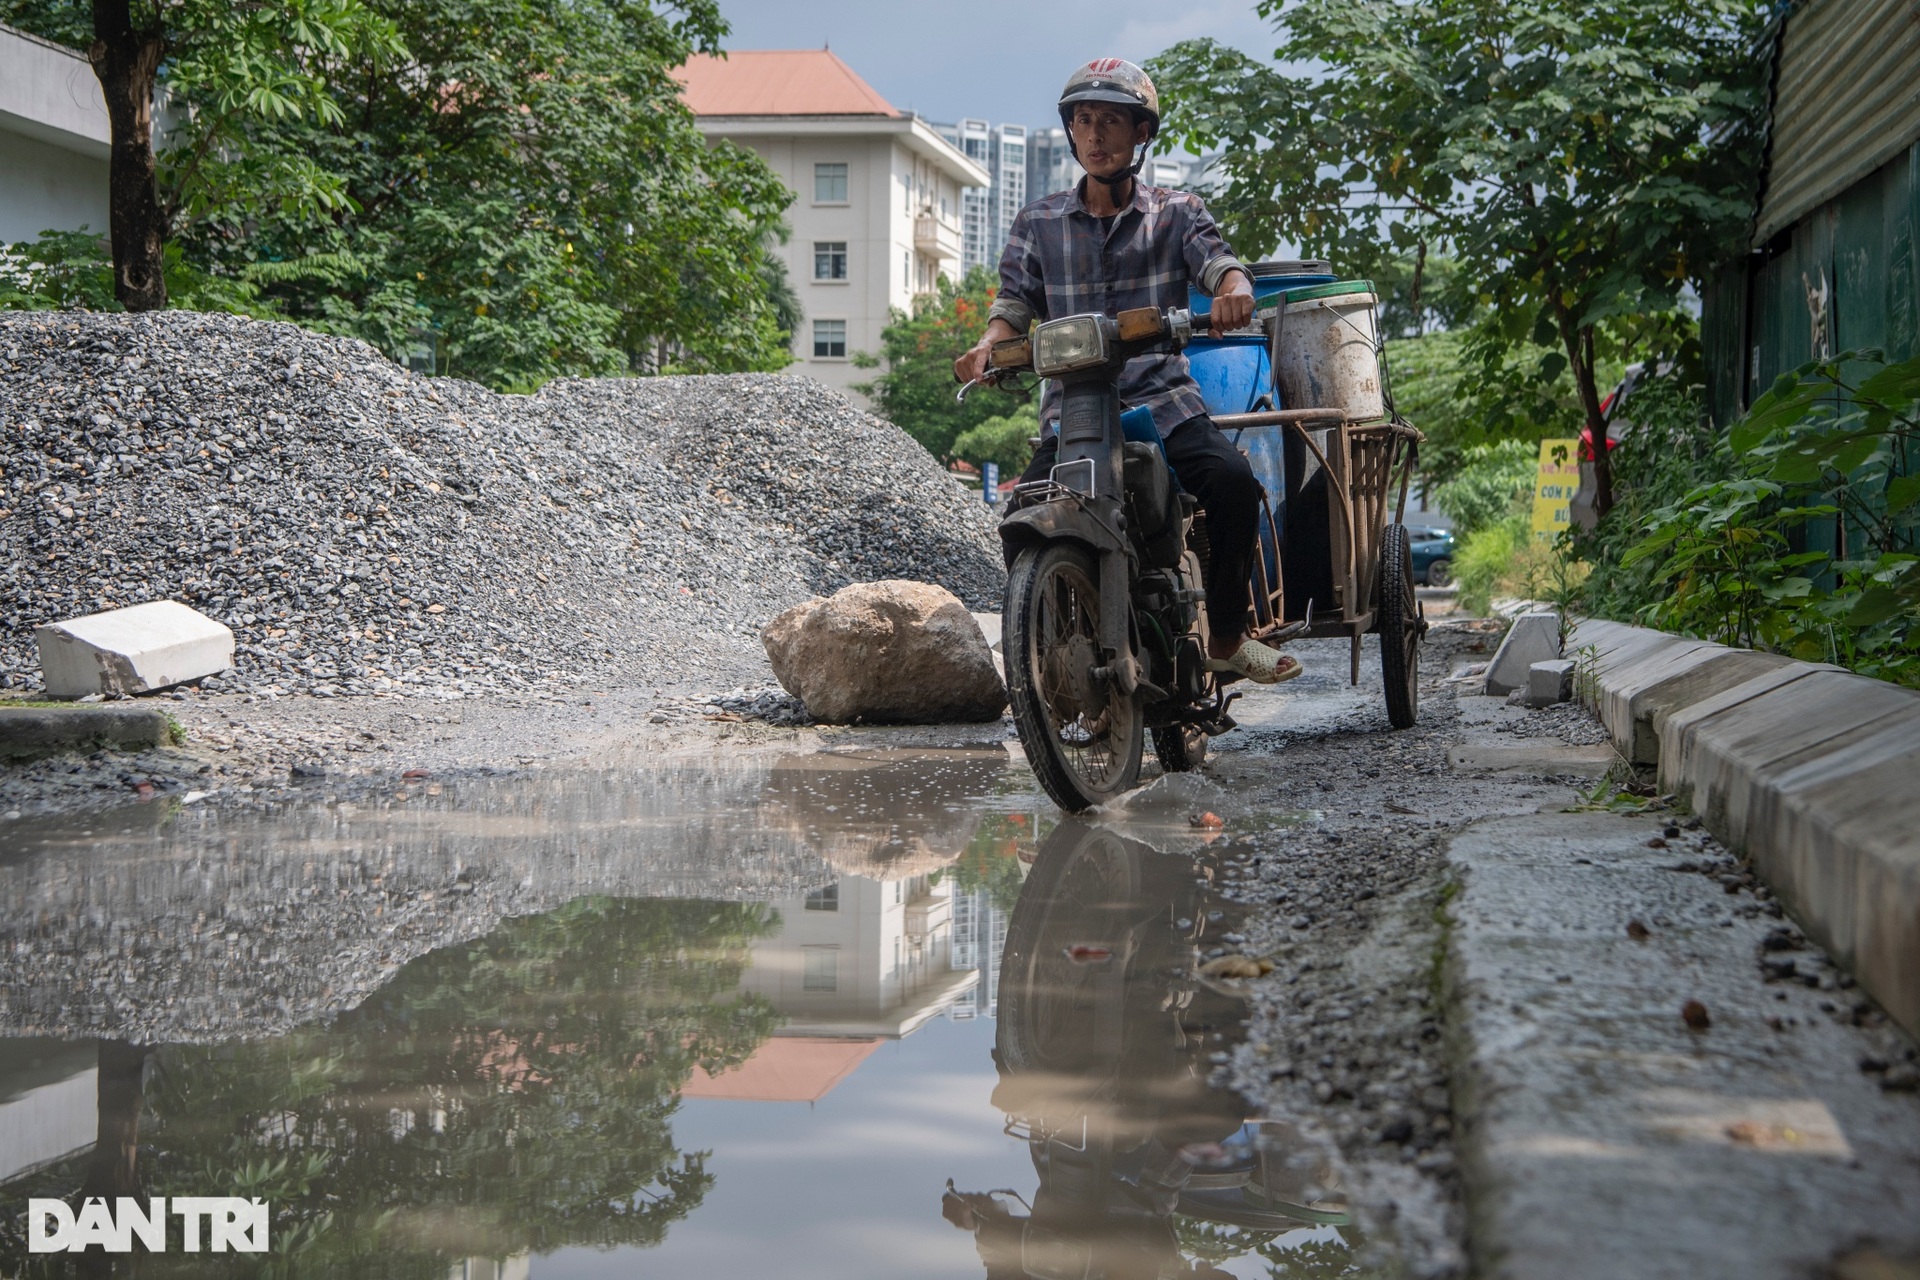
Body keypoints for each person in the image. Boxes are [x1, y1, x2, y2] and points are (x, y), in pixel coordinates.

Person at [953, 58, 1301, 685]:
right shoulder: (1038, 222)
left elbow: (1219, 263)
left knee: (1232, 484)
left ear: (1142, 134)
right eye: (1084, 121)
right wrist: (988, 345)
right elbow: (1012, 304)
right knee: (1018, 521)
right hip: (1074, 415)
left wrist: (1234, 288)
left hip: (1162, 405)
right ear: (1071, 133)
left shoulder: (1177, 212)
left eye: (1111, 121)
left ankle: (1225, 635)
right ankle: (1065, 641)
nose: (1095, 135)